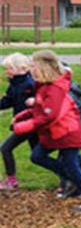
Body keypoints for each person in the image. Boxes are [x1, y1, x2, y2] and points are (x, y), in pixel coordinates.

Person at [14, 50, 81, 212]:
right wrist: (23, 115)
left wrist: (22, 127)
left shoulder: (54, 88)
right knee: (38, 156)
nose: (30, 69)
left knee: (71, 167)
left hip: (66, 133)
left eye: (33, 66)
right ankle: (78, 181)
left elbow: (49, 116)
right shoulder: (44, 85)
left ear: (43, 67)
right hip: (55, 133)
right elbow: (41, 107)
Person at [0, 53, 37, 190]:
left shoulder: (30, 84)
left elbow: (41, 101)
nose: (7, 71)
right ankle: (68, 177)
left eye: (9, 68)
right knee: (39, 156)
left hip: (31, 124)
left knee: (5, 148)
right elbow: (8, 101)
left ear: (21, 68)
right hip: (23, 124)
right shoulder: (14, 84)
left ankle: (11, 181)